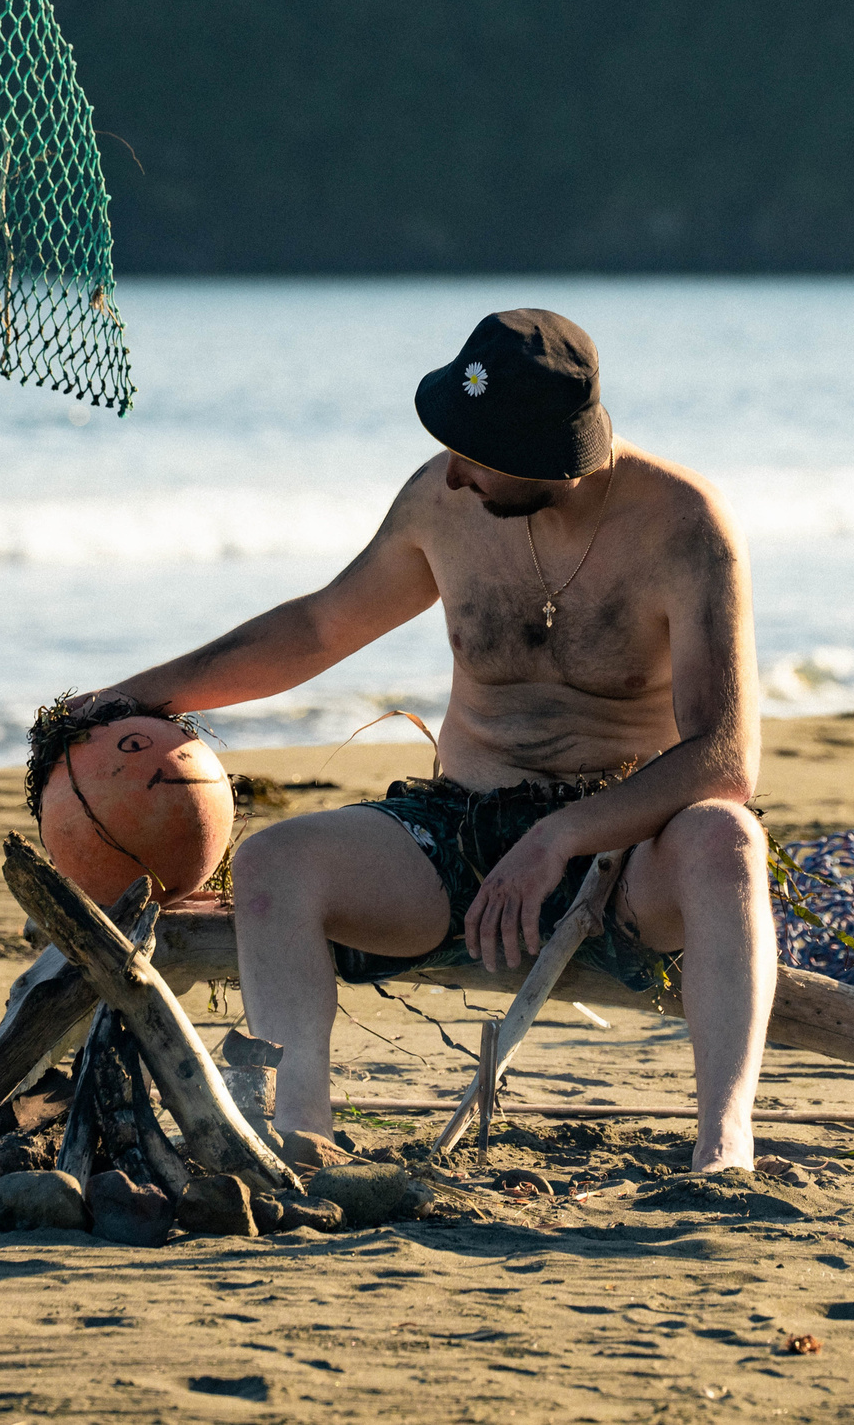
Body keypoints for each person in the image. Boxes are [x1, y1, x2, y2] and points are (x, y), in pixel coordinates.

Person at [74, 309, 773, 1172]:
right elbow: (319, 627)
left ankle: (723, 1147)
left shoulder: (684, 524)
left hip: (624, 854)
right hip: (461, 834)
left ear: (546, 457)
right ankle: (298, 1135)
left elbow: (725, 757)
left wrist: (563, 836)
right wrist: (131, 695)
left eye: (475, 452)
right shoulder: (443, 504)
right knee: (275, 865)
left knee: (729, 839)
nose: (451, 472)